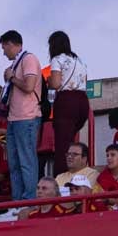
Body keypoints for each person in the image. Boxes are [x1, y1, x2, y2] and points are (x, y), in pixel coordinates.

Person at [0, 30, 44, 201]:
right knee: (15, 163)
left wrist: (12, 78)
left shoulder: (29, 59)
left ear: (11, 44)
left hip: (27, 116)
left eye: (4, 48)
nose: (4, 52)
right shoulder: (18, 62)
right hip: (14, 118)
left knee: (26, 161)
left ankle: (29, 200)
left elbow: (29, 86)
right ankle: (18, 200)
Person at [46, 31, 89, 174]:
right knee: (72, 142)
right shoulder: (79, 60)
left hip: (66, 102)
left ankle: (61, 180)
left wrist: (49, 81)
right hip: (82, 101)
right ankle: (79, 172)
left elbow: (57, 83)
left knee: (63, 147)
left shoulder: (57, 59)